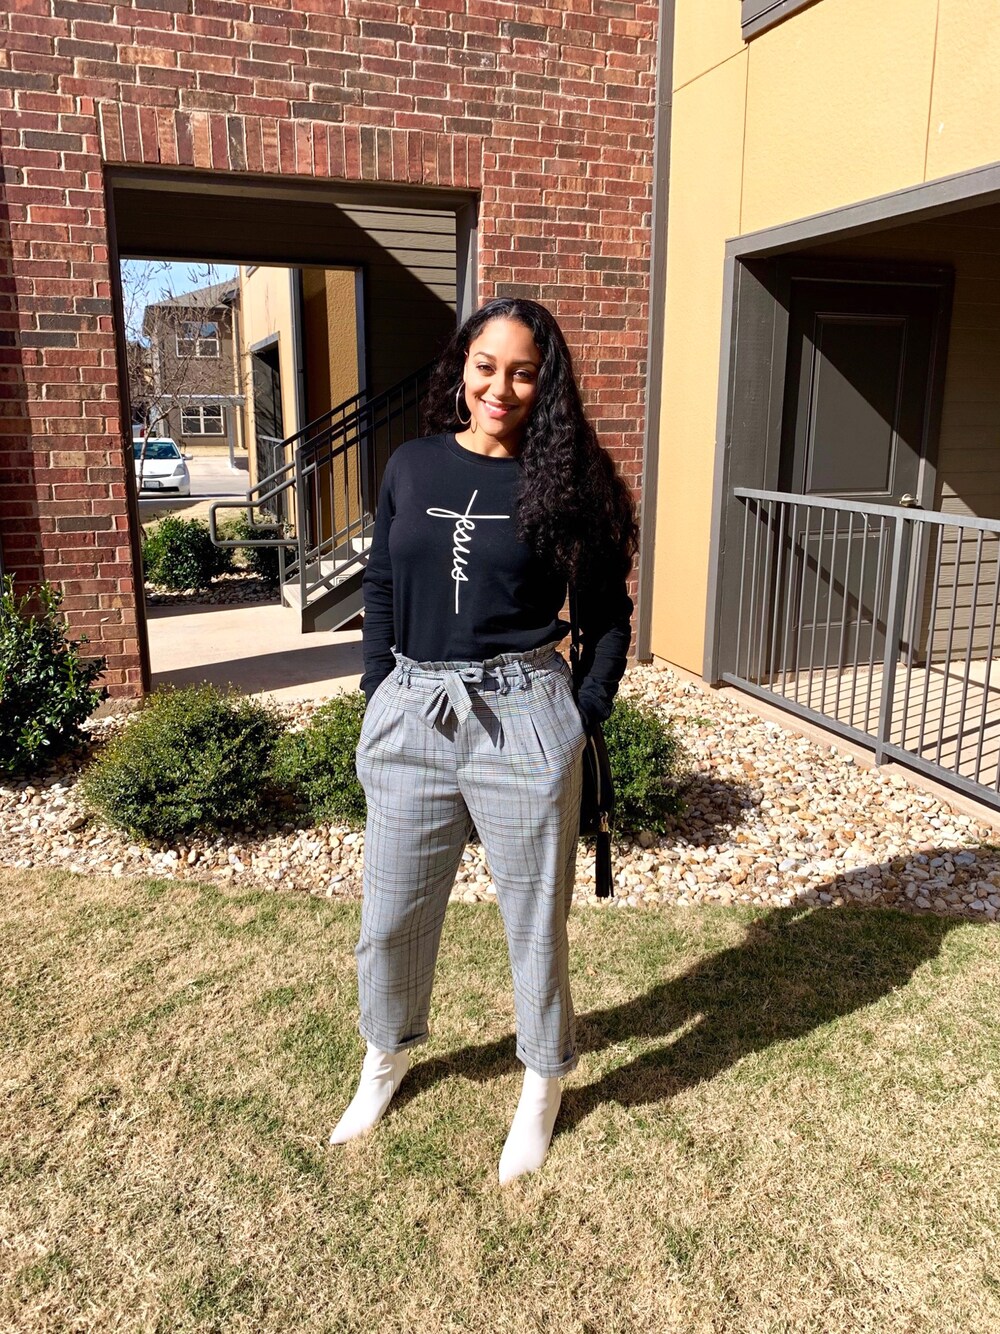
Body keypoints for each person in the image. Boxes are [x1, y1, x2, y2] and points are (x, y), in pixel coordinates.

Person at [329, 297, 637, 1182]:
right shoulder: (413, 466)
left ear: (547, 383)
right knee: (390, 915)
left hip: (524, 713)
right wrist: (378, 689)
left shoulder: (569, 484)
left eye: (523, 372)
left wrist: (582, 713)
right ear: (461, 369)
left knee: (534, 923)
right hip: (412, 709)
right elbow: (382, 582)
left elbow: (608, 617)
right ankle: (385, 1056)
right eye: (486, 366)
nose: (500, 388)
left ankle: (542, 1081)